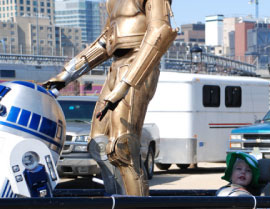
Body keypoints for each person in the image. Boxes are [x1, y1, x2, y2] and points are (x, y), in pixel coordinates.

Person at [43, 0, 178, 196]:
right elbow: (107, 39)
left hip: (139, 64)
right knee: (98, 142)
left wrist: (126, 84)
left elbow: (161, 30)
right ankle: (116, 201)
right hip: (117, 66)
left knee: (122, 146)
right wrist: (67, 75)